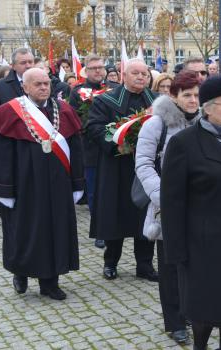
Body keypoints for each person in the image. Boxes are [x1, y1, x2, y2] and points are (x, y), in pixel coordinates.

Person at [161, 75, 221, 350]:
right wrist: (176, 253)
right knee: (203, 310)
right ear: (206, 107)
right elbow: (171, 203)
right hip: (203, 247)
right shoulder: (184, 143)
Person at [0, 68, 84, 300]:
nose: (43, 87)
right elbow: (1, 155)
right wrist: (4, 189)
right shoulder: (9, 112)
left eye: (46, 83)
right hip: (24, 185)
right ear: (25, 87)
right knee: (25, 232)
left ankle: (50, 282)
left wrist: (77, 184)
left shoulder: (64, 110)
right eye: (37, 84)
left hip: (58, 184)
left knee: (56, 231)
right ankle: (20, 270)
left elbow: (77, 151)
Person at [135, 70, 201, 345]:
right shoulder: (156, 124)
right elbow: (143, 164)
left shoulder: (204, 121)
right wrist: (163, 196)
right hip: (167, 206)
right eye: (187, 95)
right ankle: (175, 321)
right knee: (170, 265)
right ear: (173, 96)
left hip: (199, 205)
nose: (193, 101)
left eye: (197, 95)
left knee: (195, 264)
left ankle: (193, 311)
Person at [86, 58, 158, 281]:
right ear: (123, 75)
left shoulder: (157, 101)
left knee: (146, 214)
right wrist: (119, 142)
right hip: (117, 166)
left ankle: (145, 265)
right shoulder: (105, 101)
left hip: (146, 167)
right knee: (114, 214)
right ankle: (111, 262)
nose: (140, 77)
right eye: (135, 73)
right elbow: (94, 128)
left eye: (144, 74)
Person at [68, 54, 118, 249]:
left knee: (112, 189)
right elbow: (73, 118)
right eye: (93, 68)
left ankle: (115, 226)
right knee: (95, 192)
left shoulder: (115, 89)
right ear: (86, 71)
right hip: (89, 148)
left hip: (112, 145)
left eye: (101, 67)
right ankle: (99, 231)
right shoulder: (78, 91)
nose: (98, 70)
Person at [0, 48, 35, 159]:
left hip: (38, 145)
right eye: (23, 63)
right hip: (10, 147)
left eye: (30, 62)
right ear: (13, 66)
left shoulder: (44, 84)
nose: (28, 65)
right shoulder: (0, 86)